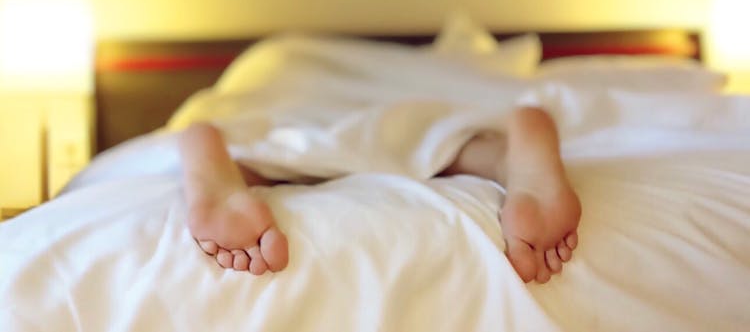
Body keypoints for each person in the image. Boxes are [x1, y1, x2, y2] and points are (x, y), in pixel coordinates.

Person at [179, 105, 581, 284]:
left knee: (274, 151)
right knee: (452, 145)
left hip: (291, 122)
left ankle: (217, 164)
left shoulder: (283, 71)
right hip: (426, 116)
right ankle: (510, 156)